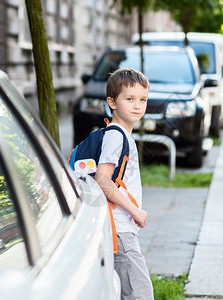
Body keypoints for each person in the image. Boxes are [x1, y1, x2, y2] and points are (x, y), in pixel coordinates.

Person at [95, 68, 154, 300]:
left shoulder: (121, 134)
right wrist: (134, 210)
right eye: (129, 99)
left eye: (143, 99)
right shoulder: (116, 135)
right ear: (112, 102)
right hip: (119, 229)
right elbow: (102, 179)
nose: (137, 106)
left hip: (120, 228)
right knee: (140, 294)